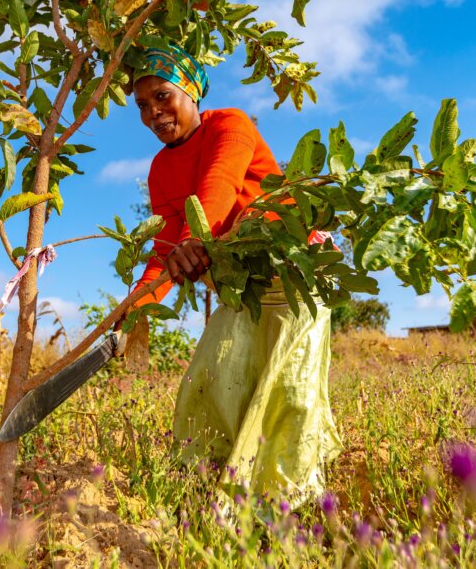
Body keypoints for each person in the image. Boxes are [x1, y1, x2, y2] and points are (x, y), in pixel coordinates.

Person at [121, 43, 341, 504]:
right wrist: (132, 311)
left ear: (190, 92)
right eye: (142, 105)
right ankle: (210, 491)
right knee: (214, 378)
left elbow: (217, 186)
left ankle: (289, 503)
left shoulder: (231, 125)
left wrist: (195, 241)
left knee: (287, 390)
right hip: (242, 286)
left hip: (293, 269)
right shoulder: (161, 169)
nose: (153, 113)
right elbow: (165, 249)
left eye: (163, 96)